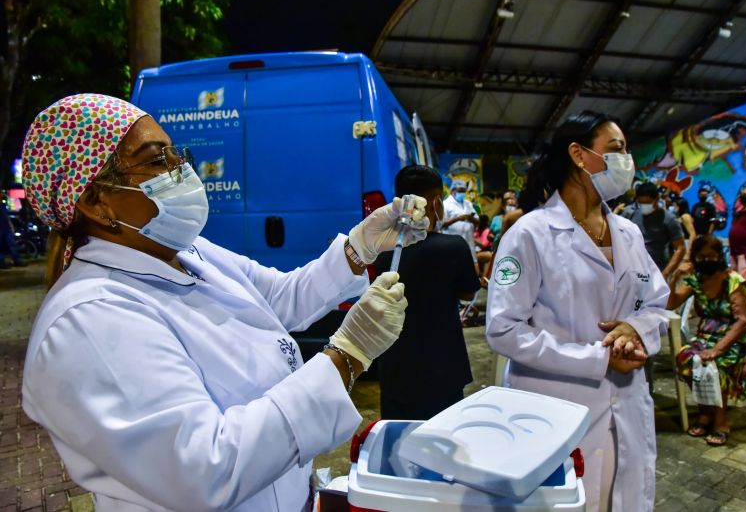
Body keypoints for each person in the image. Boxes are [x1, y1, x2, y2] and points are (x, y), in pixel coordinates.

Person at [19, 94, 429, 512]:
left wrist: (360, 247)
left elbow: (278, 298)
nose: (181, 170)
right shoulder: (89, 321)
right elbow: (205, 469)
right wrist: (347, 355)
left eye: (175, 153)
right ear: (95, 202)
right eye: (156, 160)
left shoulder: (189, 251)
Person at [486, 111, 669, 512]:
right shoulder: (529, 234)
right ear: (579, 155)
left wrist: (635, 329)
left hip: (627, 404)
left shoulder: (628, 233)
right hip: (556, 410)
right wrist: (599, 358)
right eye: (616, 149)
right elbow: (503, 329)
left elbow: (657, 300)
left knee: (623, 498)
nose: (627, 160)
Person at [374, 165, 481, 419]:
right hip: (442, 366)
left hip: (395, 367)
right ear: (436, 203)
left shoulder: (382, 249)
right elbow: (468, 293)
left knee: (398, 441)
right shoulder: (453, 247)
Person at [670, 235, 746, 446]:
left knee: (715, 365)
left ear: (719, 257)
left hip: (740, 338)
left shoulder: (732, 280)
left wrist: (719, 349)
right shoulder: (696, 280)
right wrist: (676, 276)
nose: (707, 260)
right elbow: (670, 303)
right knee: (686, 358)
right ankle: (705, 414)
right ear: (695, 258)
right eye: (702, 257)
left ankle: (720, 421)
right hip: (706, 336)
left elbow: (742, 320)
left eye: (712, 256)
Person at [621, 181, 686, 280]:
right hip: (633, 271)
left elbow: (680, 248)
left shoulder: (669, 219)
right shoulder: (633, 214)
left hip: (657, 272)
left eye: (647, 203)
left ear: (656, 199)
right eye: (641, 203)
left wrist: (666, 273)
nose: (644, 206)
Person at [442, 179, 479, 271]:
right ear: (452, 191)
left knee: (471, 264)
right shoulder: (446, 204)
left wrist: (470, 218)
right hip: (452, 240)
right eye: (460, 191)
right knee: (453, 264)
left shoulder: (468, 204)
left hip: (468, 239)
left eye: (463, 191)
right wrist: (458, 218)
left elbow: (477, 221)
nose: (462, 193)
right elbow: (441, 223)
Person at [0, 191, 25, 268]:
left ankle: (16, 260)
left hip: (5, 227)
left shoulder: (2, 205)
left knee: (12, 244)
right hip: (3, 228)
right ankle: (2, 262)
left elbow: (6, 217)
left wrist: (11, 225)